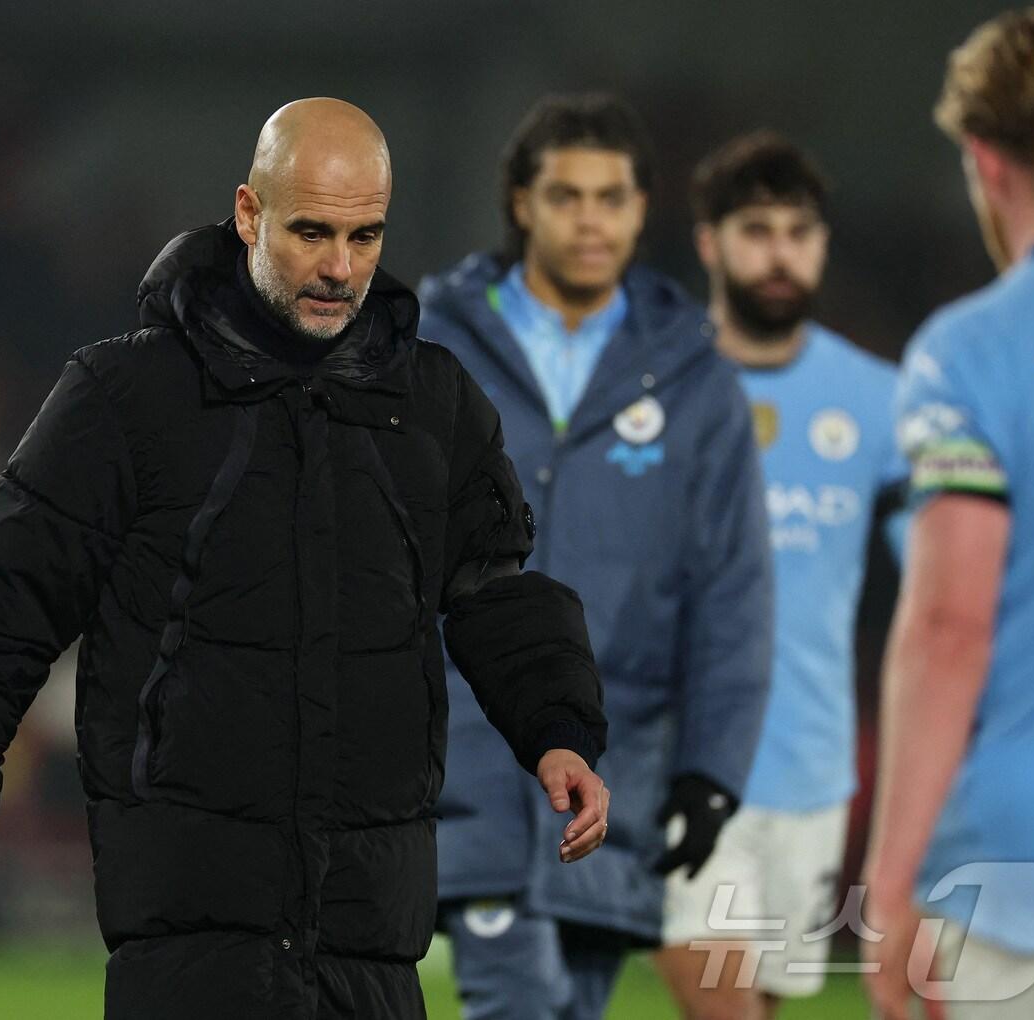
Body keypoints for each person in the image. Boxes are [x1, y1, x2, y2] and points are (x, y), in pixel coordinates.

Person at [0, 97, 612, 1020]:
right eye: (312, 232)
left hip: (371, 938)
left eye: (365, 235)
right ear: (247, 213)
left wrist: (557, 727)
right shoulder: (125, 398)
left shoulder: (433, 406)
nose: (340, 268)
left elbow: (493, 588)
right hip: (190, 939)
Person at [418, 93, 773, 1020]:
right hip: (475, 753)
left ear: (641, 209)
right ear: (522, 204)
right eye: (567, 196)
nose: (590, 220)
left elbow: (733, 592)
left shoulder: (697, 379)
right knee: (517, 1000)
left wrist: (714, 770)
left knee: (570, 1006)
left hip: (623, 765)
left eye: (610, 198)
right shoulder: (430, 346)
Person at [861, 9, 1034, 1020]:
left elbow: (950, 625)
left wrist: (894, 880)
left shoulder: (967, 355)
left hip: (1022, 879)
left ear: (984, 163)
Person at [656, 132, 905, 1019]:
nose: (779, 252)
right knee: (721, 1004)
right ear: (709, 241)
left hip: (815, 769)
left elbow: (939, 572)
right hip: (681, 761)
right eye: (756, 229)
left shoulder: (881, 401)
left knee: (760, 1004)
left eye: (799, 231)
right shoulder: (655, 387)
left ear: (824, 245)